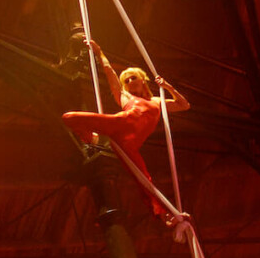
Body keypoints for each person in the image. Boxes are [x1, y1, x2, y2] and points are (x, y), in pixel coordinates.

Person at [62, 38, 189, 217]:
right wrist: (99, 51)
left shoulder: (157, 101)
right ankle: (93, 138)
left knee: (145, 181)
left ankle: (164, 216)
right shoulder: (124, 96)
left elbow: (184, 105)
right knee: (69, 118)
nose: (129, 81)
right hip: (118, 124)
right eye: (127, 80)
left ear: (143, 80)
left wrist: (167, 87)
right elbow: (109, 71)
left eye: (133, 78)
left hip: (129, 143)